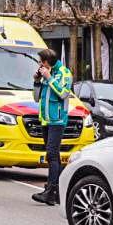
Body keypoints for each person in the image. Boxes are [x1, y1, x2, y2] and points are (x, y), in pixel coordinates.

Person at [31, 48, 72, 206]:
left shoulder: (64, 73)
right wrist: (36, 81)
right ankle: (56, 192)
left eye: (41, 61)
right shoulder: (46, 73)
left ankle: (51, 191)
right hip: (46, 120)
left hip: (57, 120)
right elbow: (36, 98)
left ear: (47, 61)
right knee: (51, 155)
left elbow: (63, 93)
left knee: (52, 154)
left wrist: (49, 78)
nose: (40, 64)